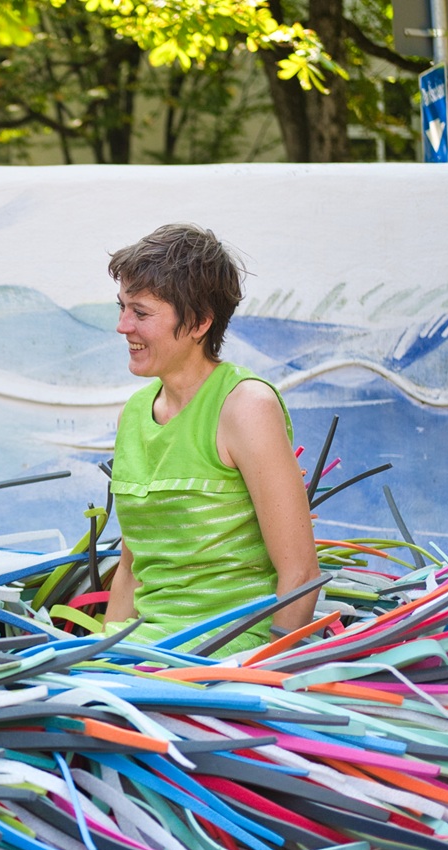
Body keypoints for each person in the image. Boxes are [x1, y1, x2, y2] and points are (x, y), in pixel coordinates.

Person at [102, 224, 320, 656]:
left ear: (200, 321)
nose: (122, 326)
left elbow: (300, 574)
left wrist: (257, 681)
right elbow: (130, 569)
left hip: (223, 660)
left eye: (141, 313)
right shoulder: (134, 414)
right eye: (122, 307)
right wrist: (103, 655)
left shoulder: (245, 407)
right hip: (142, 656)